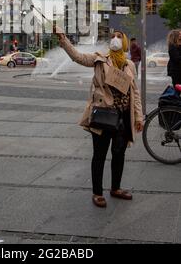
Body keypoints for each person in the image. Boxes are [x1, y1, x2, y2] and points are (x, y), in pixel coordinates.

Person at [56, 28, 144, 208]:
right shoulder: (100, 59)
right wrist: (63, 39)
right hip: (104, 114)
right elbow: (78, 57)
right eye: (113, 36)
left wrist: (138, 117)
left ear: (125, 42)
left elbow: (135, 92)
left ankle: (116, 188)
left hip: (123, 116)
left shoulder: (129, 65)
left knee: (119, 153)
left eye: (119, 37)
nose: (115, 39)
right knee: (100, 154)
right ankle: (97, 192)